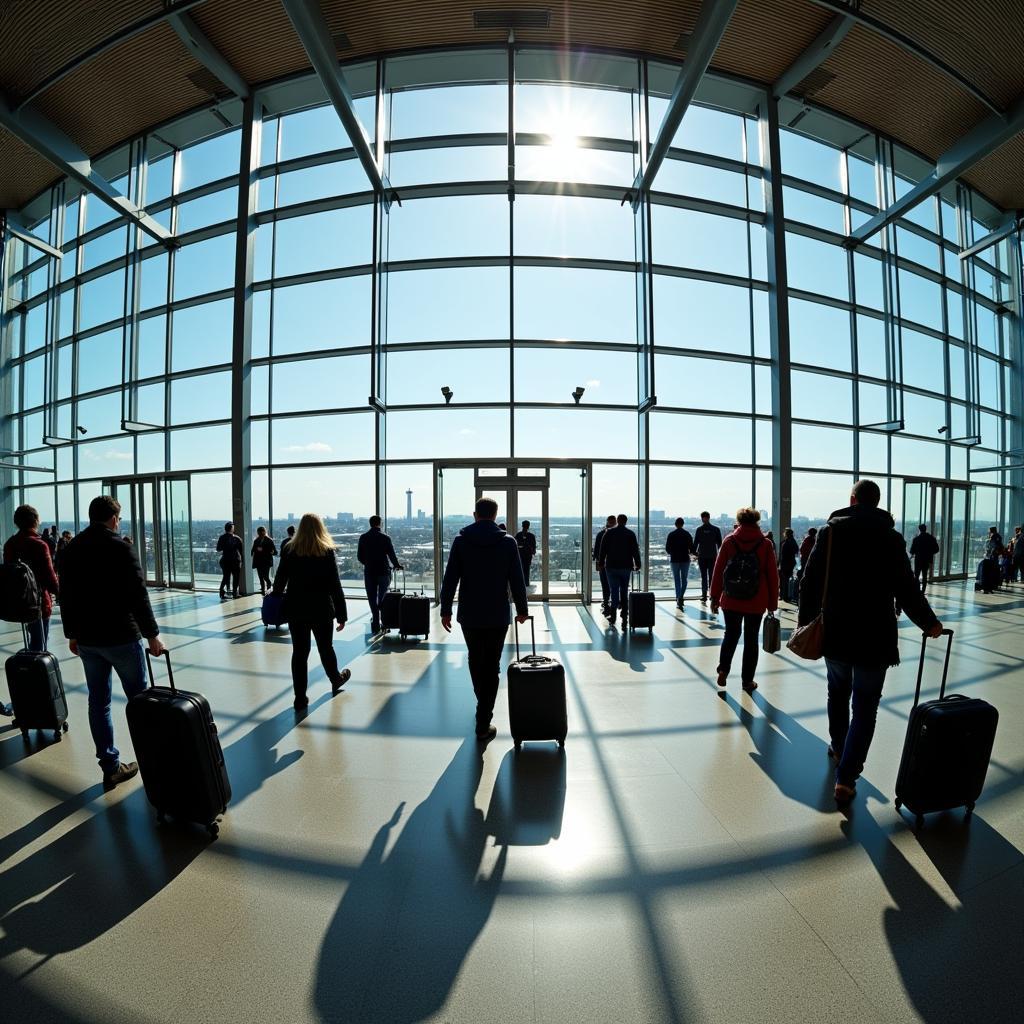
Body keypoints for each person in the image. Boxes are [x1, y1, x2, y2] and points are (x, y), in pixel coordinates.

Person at [799, 480, 942, 805]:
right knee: (865, 706)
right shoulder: (891, 538)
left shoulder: (830, 533)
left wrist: (805, 622)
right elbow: (907, 587)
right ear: (877, 504)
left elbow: (809, 582)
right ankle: (847, 777)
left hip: (836, 631)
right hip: (875, 637)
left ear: (851, 500)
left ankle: (838, 746)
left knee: (837, 690)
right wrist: (929, 622)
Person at [59, 495, 166, 788]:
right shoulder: (121, 548)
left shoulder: (71, 550)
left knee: (99, 703)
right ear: (113, 518)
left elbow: (65, 596)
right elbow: (138, 596)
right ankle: (152, 760)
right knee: (139, 700)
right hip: (121, 637)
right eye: (118, 518)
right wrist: (152, 635)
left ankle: (110, 765)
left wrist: (72, 635)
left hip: (89, 640)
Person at [439, 497, 528, 742]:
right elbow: (517, 580)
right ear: (495, 514)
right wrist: (522, 609)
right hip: (497, 613)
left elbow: (450, 579)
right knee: (493, 663)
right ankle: (483, 717)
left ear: (475, 514)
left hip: (470, 613)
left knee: (476, 660)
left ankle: (482, 708)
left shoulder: (461, 541)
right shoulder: (508, 542)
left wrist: (445, 609)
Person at [271, 513, 351, 710]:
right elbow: (335, 585)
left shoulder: (290, 550)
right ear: (320, 528)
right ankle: (336, 679)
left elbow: (280, 582)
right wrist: (342, 614)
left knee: (299, 652)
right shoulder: (326, 551)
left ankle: (300, 697)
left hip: (296, 608)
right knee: (326, 647)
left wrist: (277, 594)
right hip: (321, 608)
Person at [709, 507, 778, 694]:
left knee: (731, 635)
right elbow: (772, 576)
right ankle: (747, 681)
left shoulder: (729, 541)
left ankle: (723, 669)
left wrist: (714, 596)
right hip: (756, 600)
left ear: (738, 521)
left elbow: (718, 571)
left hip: (731, 599)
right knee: (751, 640)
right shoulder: (765, 544)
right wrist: (772, 604)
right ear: (757, 522)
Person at [3, 504, 60, 652]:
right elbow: (49, 577)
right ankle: (36, 672)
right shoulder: (40, 545)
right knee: (39, 644)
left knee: (33, 640)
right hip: (39, 603)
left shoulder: (10, 544)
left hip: (18, 601)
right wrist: (61, 592)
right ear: (35, 520)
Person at [357, 515, 403, 633]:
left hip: (370, 572)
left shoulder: (363, 537)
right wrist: (397, 565)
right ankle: (384, 621)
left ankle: (376, 622)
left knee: (372, 597)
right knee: (383, 598)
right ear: (380, 523)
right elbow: (391, 555)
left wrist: (368, 563)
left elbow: (359, 557)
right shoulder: (385, 538)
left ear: (370, 523)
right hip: (383, 571)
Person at [597, 513, 641, 628]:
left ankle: (613, 617)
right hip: (626, 567)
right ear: (626, 521)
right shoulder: (631, 534)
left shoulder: (609, 533)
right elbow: (635, 550)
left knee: (614, 591)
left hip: (611, 567)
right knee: (624, 590)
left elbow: (603, 549)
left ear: (617, 520)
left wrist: (601, 563)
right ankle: (624, 618)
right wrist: (638, 563)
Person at [665, 517, 695, 609]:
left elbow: (667, 548)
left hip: (674, 559)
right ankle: (681, 596)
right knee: (684, 579)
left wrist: (672, 553)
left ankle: (678, 597)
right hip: (685, 559)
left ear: (675, 524)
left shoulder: (671, 534)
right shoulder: (687, 534)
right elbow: (691, 548)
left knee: (677, 579)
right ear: (683, 524)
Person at [693, 511, 722, 604]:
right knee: (708, 576)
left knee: (707, 576)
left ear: (707, 518)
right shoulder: (715, 529)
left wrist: (694, 552)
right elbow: (720, 544)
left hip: (706, 556)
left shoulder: (700, 529)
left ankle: (707, 595)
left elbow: (695, 543)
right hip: (710, 556)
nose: (704, 519)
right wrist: (694, 552)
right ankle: (708, 595)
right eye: (703, 518)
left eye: (704, 517)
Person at [593, 514, 615, 616]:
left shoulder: (601, 534)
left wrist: (599, 562)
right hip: (616, 564)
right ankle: (614, 605)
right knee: (614, 586)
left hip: (604, 564)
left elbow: (597, 550)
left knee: (605, 585)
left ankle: (606, 605)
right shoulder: (618, 535)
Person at [909, 524, 939, 592]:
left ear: (919, 529)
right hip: (927, 559)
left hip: (918, 559)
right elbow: (936, 549)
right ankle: (923, 590)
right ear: (926, 529)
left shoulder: (916, 539)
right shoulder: (931, 538)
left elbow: (912, 551)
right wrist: (930, 553)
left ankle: (917, 589)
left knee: (917, 575)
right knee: (925, 575)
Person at [216, 521, 243, 598]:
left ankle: (221, 591)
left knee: (226, 576)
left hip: (225, 560)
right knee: (236, 577)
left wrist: (225, 546)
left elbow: (218, 549)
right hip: (235, 560)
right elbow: (241, 551)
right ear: (232, 529)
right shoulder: (237, 539)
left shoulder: (222, 538)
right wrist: (242, 561)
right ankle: (235, 593)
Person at [251, 526, 277, 596]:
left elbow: (275, 552)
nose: (260, 534)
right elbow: (253, 550)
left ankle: (268, 588)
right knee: (260, 576)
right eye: (259, 533)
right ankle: (263, 590)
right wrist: (257, 550)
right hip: (259, 561)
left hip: (266, 561)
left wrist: (266, 551)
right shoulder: (256, 540)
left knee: (265, 576)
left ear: (264, 532)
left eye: (261, 532)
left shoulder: (269, 540)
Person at [778, 527, 799, 599]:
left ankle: (784, 595)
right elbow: (796, 550)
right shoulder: (793, 541)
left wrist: (780, 564)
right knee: (787, 579)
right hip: (791, 563)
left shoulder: (786, 542)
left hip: (785, 563)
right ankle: (786, 595)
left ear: (786, 534)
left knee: (784, 580)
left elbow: (783, 555)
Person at [514, 520, 537, 585]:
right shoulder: (531, 536)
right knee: (527, 569)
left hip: (520, 555)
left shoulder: (518, 535)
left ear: (522, 526)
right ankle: (526, 583)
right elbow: (533, 547)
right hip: (527, 555)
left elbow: (515, 545)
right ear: (529, 527)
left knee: (520, 569)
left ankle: (521, 583)